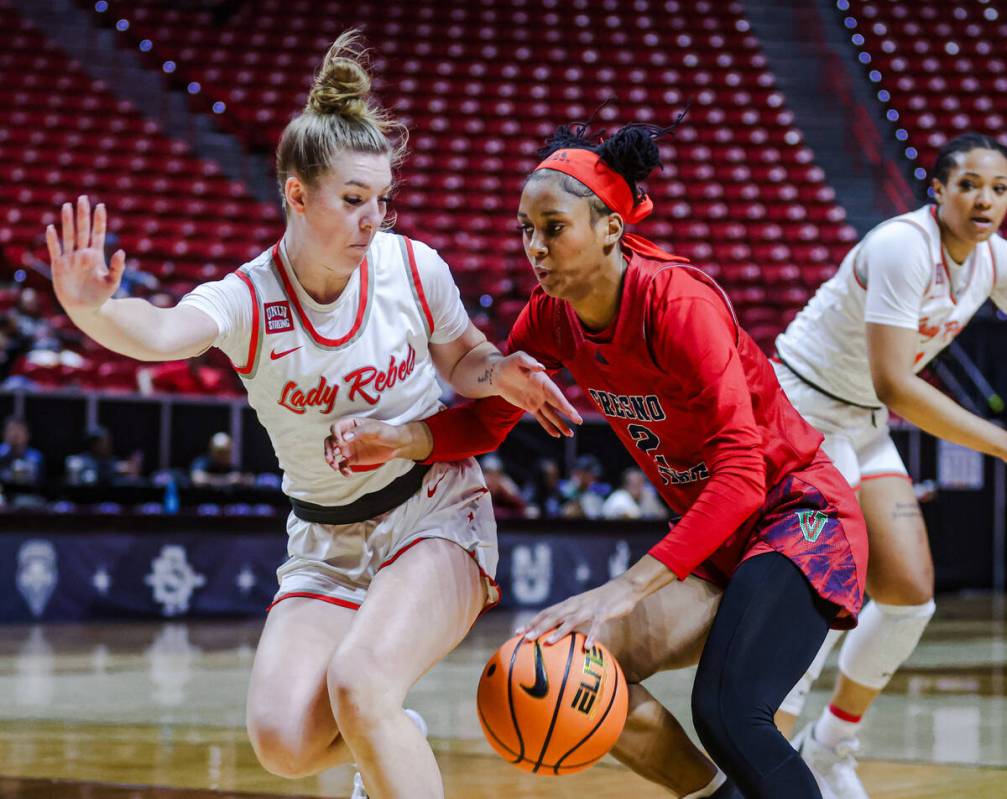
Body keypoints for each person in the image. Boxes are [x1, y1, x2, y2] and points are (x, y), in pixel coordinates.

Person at [44, 31, 578, 799]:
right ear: (296, 194)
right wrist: (93, 311)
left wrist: (498, 373)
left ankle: (378, 725)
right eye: (353, 200)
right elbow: (160, 331)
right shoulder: (249, 298)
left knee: (361, 684)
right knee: (283, 742)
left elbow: (463, 358)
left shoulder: (409, 266)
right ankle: (389, 739)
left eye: (382, 200)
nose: (373, 219)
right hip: (325, 541)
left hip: (432, 510)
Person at [324, 118, 870, 799]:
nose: (535, 247)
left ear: (610, 227)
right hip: (722, 543)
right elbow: (487, 424)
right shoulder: (549, 318)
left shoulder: (678, 305)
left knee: (727, 709)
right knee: (580, 670)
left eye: (553, 227)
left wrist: (625, 587)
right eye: (525, 229)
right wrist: (399, 437)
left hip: (799, 518)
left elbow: (741, 476)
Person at [770, 131, 1007, 798]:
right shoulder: (902, 246)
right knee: (825, 595)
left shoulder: (990, 260)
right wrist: (1000, 442)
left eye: (998, 188)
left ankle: (828, 746)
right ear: (936, 191)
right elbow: (897, 385)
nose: (984, 199)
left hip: (861, 422)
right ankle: (764, 765)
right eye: (968, 185)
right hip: (802, 411)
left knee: (907, 595)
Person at [189, 431, 254, 488]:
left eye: (227, 451)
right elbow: (196, 479)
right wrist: (227, 480)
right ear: (212, 451)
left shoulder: (234, 465)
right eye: (220, 452)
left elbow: (250, 479)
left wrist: (242, 480)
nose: (224, 455)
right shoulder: (202, 462)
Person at [602, 466, 667, 520]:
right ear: (625, 485)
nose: (637, 487)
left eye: (639, 483)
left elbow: (663, 515)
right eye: (633, 484)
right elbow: (631, 516)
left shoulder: (646, 495)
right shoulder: (619, 497)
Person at [558, 452, 609, 518]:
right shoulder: (564, 491)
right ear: (580, 473)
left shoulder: (592, 494)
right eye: (590, 474)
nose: (594, 477)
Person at [0, 415, 44, 488]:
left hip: (26, 493)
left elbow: (34, 480)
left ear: (27, 435)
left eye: (19, 430)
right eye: (11, 430)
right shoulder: (1, 452)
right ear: (4, 434)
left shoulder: (35, 457)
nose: (14, 434)